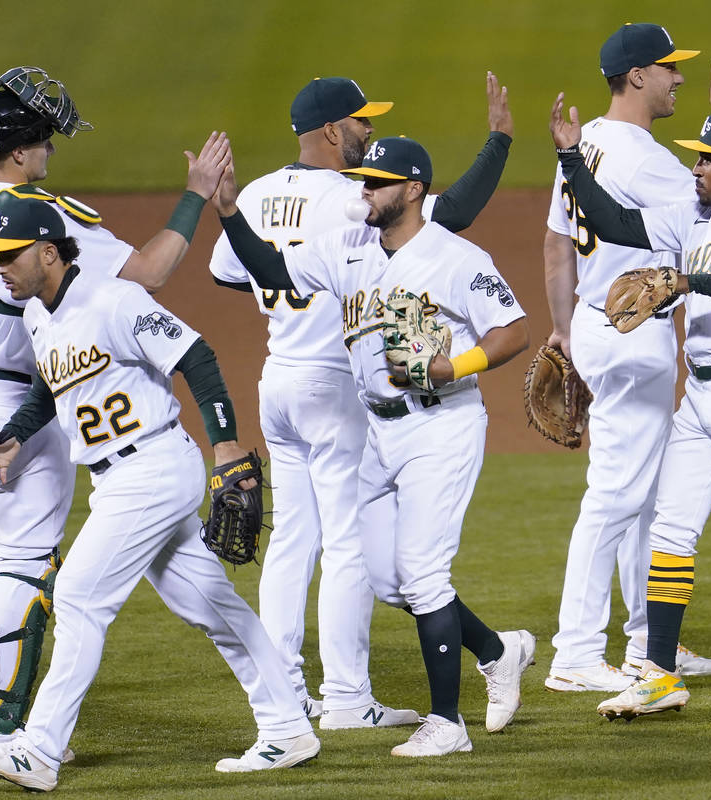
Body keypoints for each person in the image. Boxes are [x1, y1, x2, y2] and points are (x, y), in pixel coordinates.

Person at [0, 66, 229, 761]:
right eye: (44, 142)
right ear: (20, 152)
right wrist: (196, 195)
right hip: (23, 406)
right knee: (24, 567)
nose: (50, 153)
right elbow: (148, 272)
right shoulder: (48, 220)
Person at [0, 195, 318, 791]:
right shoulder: (37, 317)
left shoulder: (115, 299)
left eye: (8, 254)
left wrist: (226, 444)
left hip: (152, 467)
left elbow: (197, 356)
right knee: (212, 604)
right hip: (120, 480)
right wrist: (13, 438)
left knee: (78, 598)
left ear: (48, 252)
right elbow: (54, 388)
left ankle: (40, 751)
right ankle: (287, 724)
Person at [207, 73, 514, 729]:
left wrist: (233, 211)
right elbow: (447, 216)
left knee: (294, 540)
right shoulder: (347, 207)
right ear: (330, 130)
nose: (366, 134)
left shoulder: (261, 191)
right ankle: (348, 697)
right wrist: (498, 143)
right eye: (359, 122)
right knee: (350, 547)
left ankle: (285, 689)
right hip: (340, 390)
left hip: (279, 377)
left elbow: (233, 271)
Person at [551, 103, 711, 722]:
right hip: (701, 399)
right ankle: (659, 674)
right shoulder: (689, 216)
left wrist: (694, 282)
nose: (693, 167)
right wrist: (568, 157)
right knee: (669, 530)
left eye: (706, 159)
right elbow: (611, 221)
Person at [542, 22, 711, 693]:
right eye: (668, 68)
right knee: (617, 496)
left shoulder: (584, 141)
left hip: (597, 327)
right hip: (633, 339)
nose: (678, 77)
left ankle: (649, 645)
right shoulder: (643, 158)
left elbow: (557, 243)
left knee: (644, 495)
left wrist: (565, 330)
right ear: (637, 77)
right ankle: (573, 654)